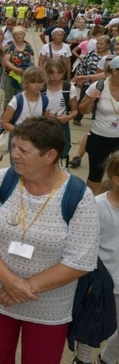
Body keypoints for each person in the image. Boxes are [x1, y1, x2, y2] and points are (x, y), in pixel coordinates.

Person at [0, 116, 99, 364]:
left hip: (48, 306)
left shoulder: (78, 197)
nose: (14, 154)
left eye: (23, 150)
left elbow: (80, 261)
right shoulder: (1, 180)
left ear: (49, 156)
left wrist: (23, 288)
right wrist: (9, 281)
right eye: (14, 146)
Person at [73, 152, 119, 364]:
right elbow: (84, 245)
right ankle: (82, 360)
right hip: (102, 283)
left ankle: (107, 359)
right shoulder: (98, 206)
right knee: (92, 327)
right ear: (116, 179)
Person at [78, 56, 119, 193]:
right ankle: (91, 203)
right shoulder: (99, 86)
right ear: (114, 71)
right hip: (99, 137)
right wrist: (91, 100)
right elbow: (82, 110)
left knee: (117, 175)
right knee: (96, 174)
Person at [44, 58, 78, 163]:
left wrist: (68, 117)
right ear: (46, 72)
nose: (55, 76)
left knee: (59, 153)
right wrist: (43, 115)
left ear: (64, 72)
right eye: (51, 72)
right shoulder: (41, 88)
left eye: (59, 73)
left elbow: (75, 110)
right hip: (42, 126)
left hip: (61, 127)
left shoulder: (69, 88)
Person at [2, 26, 35, 112]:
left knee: (21, 96)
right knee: (9, 97)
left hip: (24, 76)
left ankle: (18, 114)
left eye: (20, 34)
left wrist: (29, 70)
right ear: (13, 36)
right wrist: (16, 69)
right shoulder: (10, 47)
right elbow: (6, 61)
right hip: (10, 75)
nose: (18, 36)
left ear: (24, 35)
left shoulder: (28, 47)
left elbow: (32, 60)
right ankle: (6, 114)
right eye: (16, 35)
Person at [0, 18, 16, 97]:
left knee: (12, 73)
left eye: (10, 25)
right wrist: (3, 50)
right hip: (2, 53)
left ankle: (11, 89)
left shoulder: (18, 31)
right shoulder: (3, 30)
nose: (9, 26)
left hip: (13, 54)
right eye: (7, 24)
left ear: (14, 24)